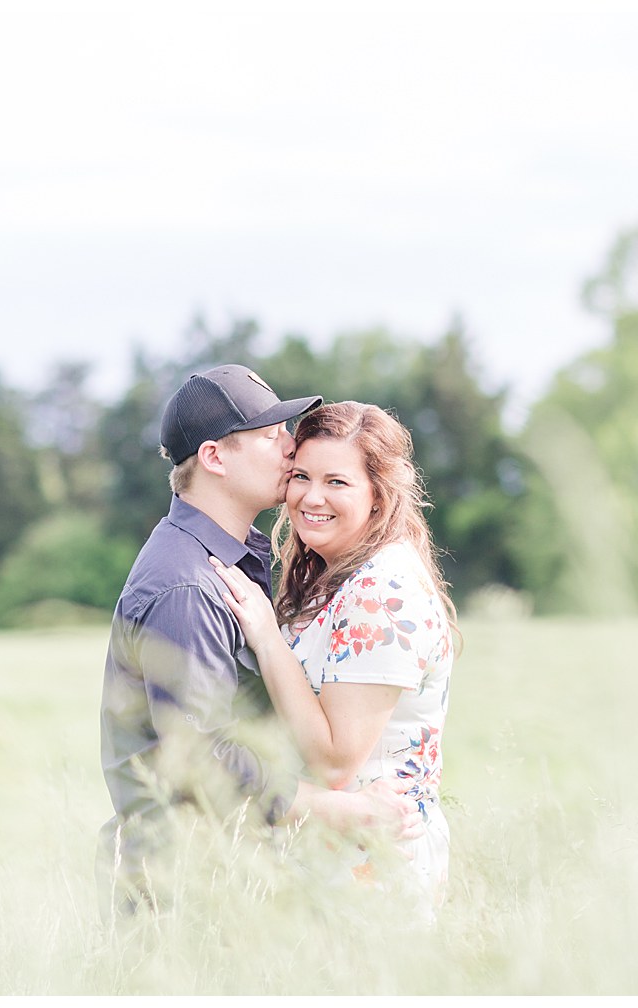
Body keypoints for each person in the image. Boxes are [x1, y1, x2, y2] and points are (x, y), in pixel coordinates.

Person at [98, 367, 423, 916]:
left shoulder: (227, 561)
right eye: (270, 434)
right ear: (215, 458)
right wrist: (339, 811)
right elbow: (200, 758)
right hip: (183, 890)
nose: (290, 445)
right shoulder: (187, 585)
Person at [208, 400, 456, 912]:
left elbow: (336, 759)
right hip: (327, 859)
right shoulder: (335, 576)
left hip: (370, 870)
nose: (311, 497)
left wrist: (265, 634)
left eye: (337, 482)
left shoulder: (382, 591)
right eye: (301, 475)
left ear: (378, 495)